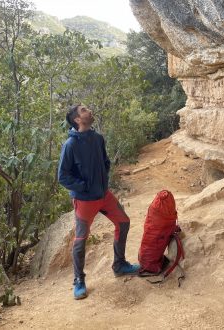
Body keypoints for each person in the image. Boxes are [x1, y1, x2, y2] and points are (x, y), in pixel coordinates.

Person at [58, 104, 140, 300]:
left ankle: (119, 265)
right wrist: (84, 186)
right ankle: (79, 280)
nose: (90, 111)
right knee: (80, 239)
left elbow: (105, 162)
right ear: (77, 119)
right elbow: (63, 177)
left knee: (123, 222)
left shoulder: (98, 138)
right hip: (84, 200)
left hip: (104, 195)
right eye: (85, 110)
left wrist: (101, 180)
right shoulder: (70, 145)